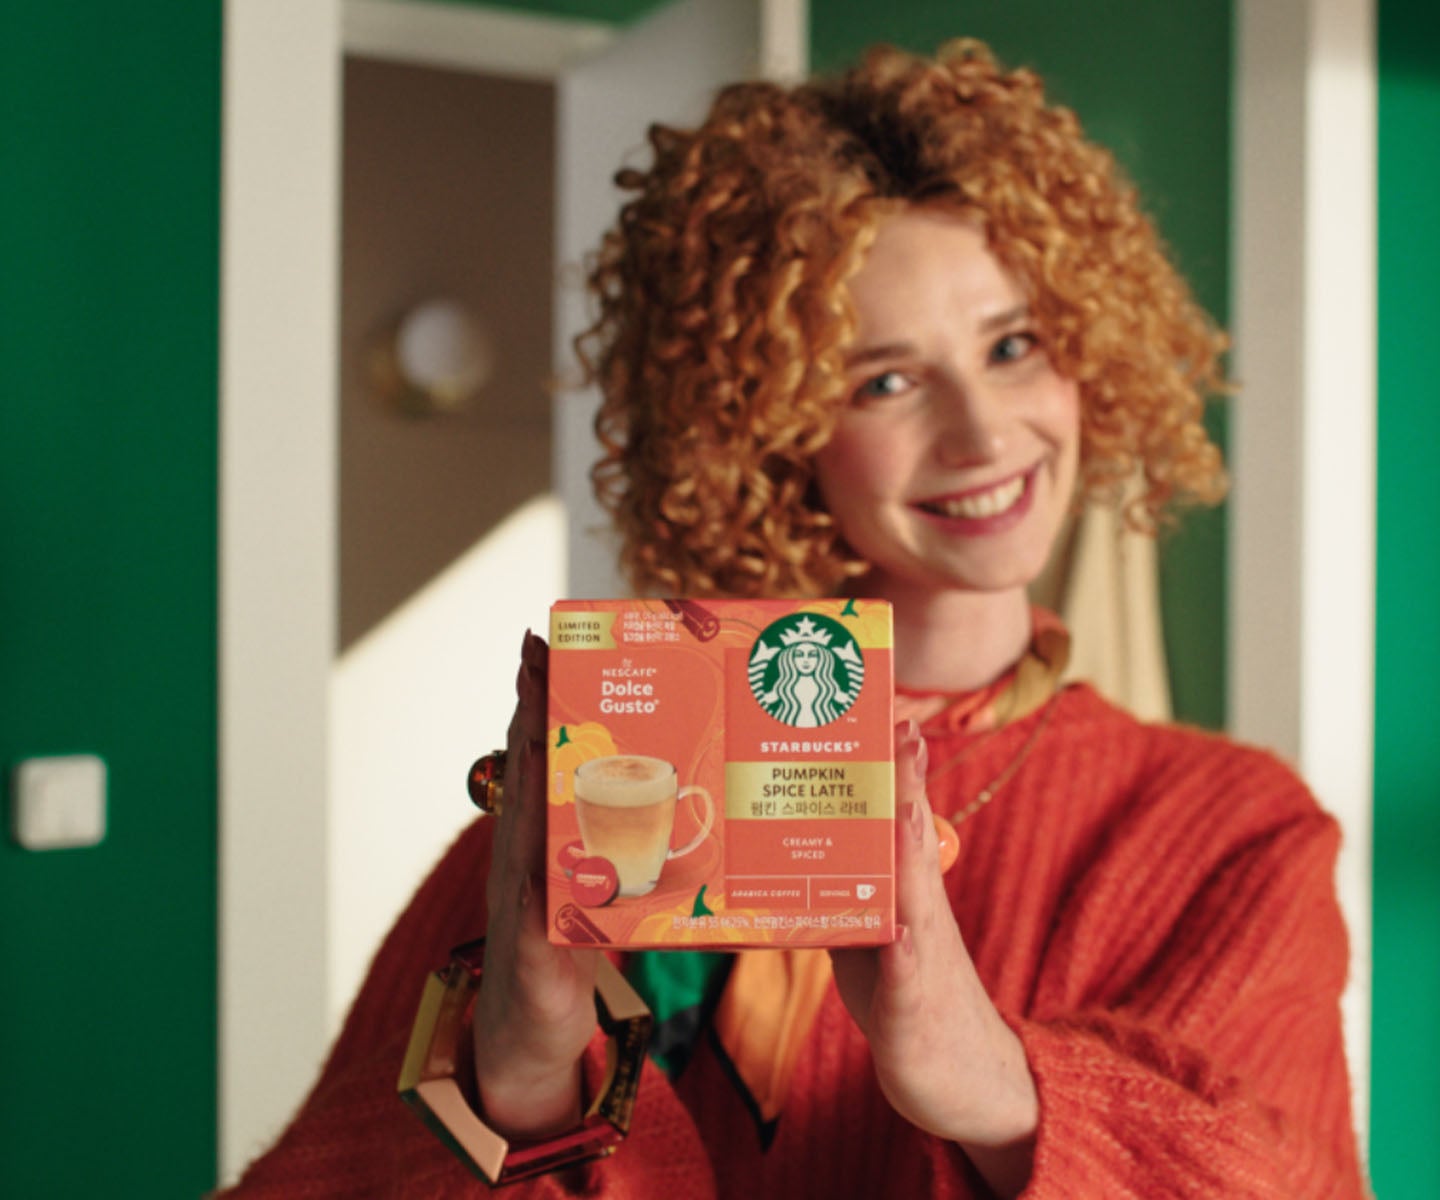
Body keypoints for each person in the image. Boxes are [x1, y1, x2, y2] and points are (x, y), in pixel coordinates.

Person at [223, 40, 1367, 1198]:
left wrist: (981, 1078)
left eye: (1013, 346)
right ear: (770, 429)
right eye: (886, 380)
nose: (982, 433)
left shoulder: (1230, 834)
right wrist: (517, 1085)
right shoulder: (600, 783)